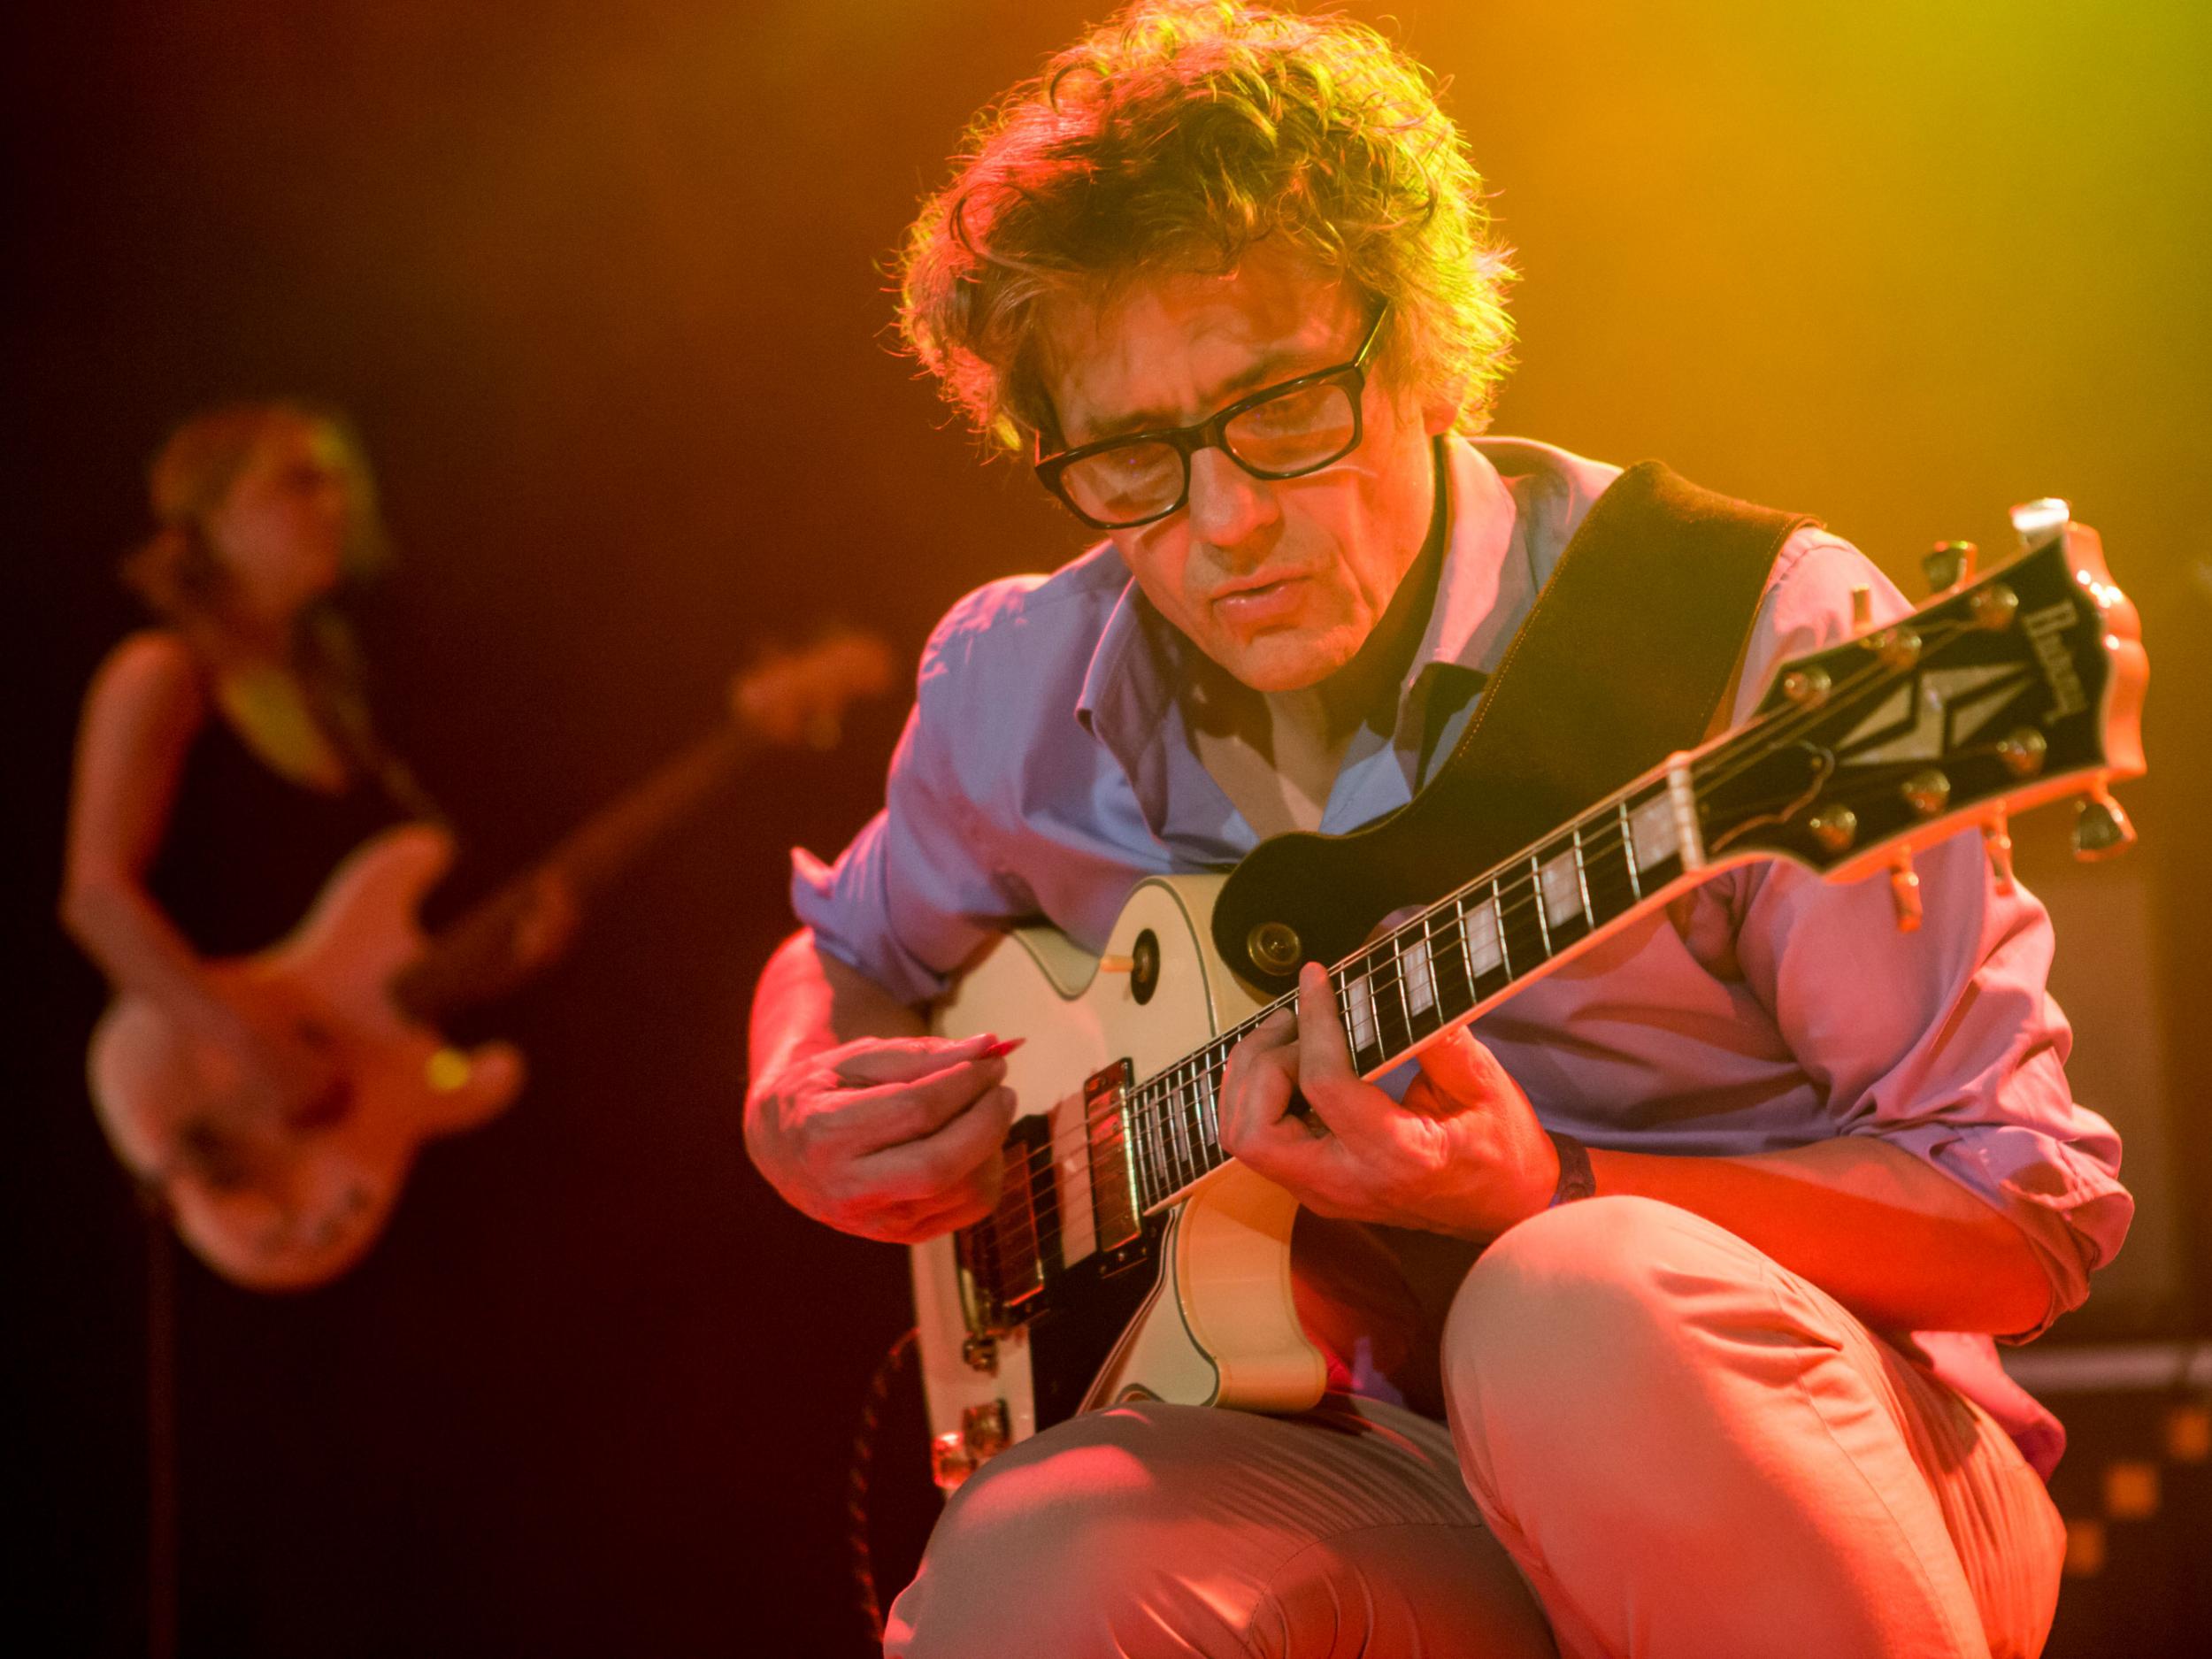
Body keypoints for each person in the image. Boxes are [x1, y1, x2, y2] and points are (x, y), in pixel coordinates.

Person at [743, 5, 2129, 1655]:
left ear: (1418, 352)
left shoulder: (1747, 633)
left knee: (1570, 1308)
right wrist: (789, 1108)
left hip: (1838, 1457)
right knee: (1027, 1561)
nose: (1226, 522)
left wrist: (1555, 1189)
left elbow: (2019, 1225)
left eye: (1280, 410)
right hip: (1395, 1470)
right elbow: (845, 955)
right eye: (1131, 460)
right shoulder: (1015, 687)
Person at [60, 400, 508, 1182]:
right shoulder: (164, 675)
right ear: (211, 519)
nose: (334, 506)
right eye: (296, 484)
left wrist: (498, 953)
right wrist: (247, 1044)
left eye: (339, 483)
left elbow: (363, 965)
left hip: (351, 1121)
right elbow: (97, 898)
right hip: (230, 1123)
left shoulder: (334, 695)